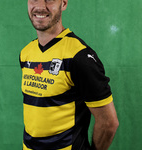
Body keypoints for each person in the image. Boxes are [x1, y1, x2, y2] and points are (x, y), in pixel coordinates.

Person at [19, 0, 119, 149]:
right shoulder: (26, 53)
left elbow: (108, 123)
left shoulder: (79, 56)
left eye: (49, 0)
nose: (40, 6)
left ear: (64, 4)